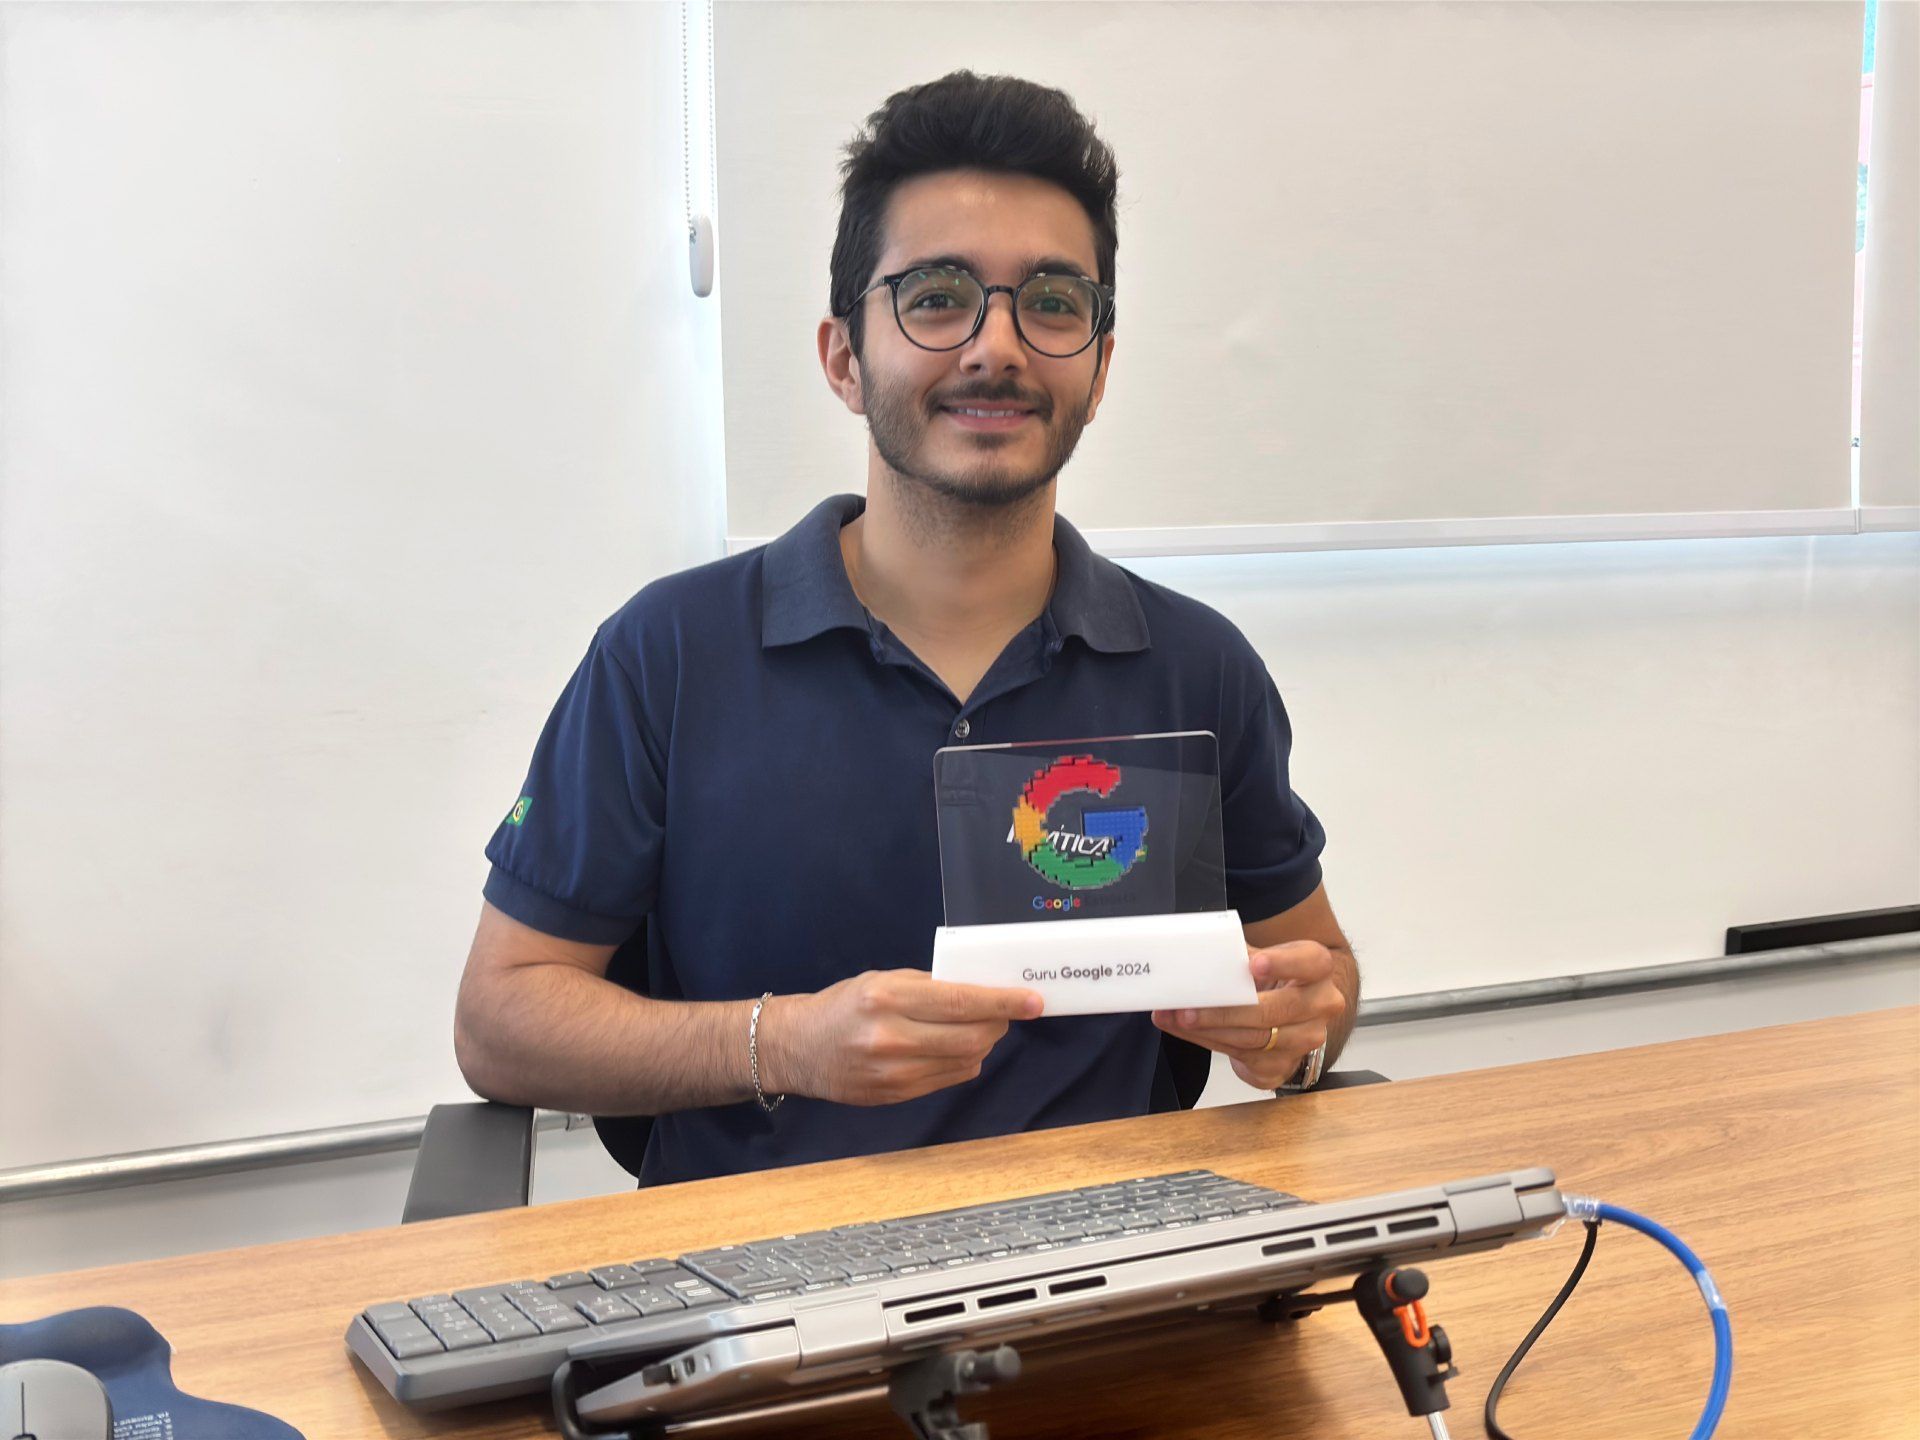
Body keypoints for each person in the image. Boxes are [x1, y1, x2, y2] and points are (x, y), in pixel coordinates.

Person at [454, 71, 1358, 1187]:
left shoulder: (1195, 666)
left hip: (1121, 1273)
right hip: (764, 1287)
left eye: (1054, 303)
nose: (999, 347)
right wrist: (781, 1043)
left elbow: (1320, 985)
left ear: (1101, 366)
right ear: (844, 358)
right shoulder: (669, 656)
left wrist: (1292, 1028)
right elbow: (501, 1024)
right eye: (936, 297)